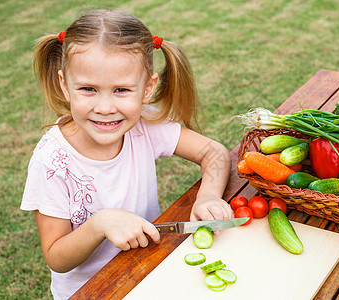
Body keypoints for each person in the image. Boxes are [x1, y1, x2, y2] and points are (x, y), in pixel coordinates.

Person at [20, 9, 233, 299]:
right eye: (88, 89)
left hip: (149, 272)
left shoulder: (143, 126)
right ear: (64, 85)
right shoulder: (52, 160)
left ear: (147, 89)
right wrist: (100, 224)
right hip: (92, 292)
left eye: (121, 89)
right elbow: (56, 256)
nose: (105, 107)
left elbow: (214, 152)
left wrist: (208, 195)